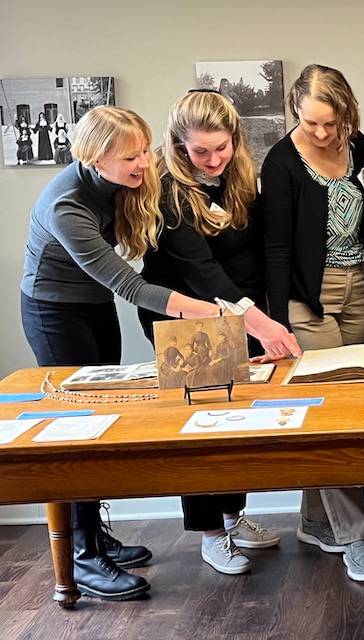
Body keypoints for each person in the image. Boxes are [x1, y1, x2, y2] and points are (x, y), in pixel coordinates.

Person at [19, 106, 246, 600]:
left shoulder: (127, 183)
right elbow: (129, 283)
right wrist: (207, 312)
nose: (145, 163)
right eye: (131, 156)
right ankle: (81, 557)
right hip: (54, 311)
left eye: (145, 150)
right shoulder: (67, 204)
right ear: (96, 157)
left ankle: (94, 534)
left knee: (104, 422)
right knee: (76, 431)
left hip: (92, 306)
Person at [137, 90, 299, 576]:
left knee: (240, 420)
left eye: (221, 148)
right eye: (199, 151)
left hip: (243, 311)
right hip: (187, 319)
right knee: (201, 427)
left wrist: (264, 312)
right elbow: (204, 275)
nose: (212, 160)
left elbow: (254, 251)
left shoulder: (241, 176)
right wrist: (262, 321)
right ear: (178, 144)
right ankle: (210, 533)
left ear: (236, 139)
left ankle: (233, 514)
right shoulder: (166, 191)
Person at [260, 65, 364, 581]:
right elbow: (277, 246)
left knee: (349, 402)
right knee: (338, 414)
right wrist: (275, 316)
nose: (323, 134)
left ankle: (315, 520)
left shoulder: (362, 148)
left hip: (359, 287)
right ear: (296, 113)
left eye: (332, 123)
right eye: (312, 123)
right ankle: (356, 539)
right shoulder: (282, 162)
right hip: (307, 298)